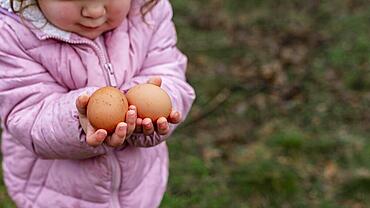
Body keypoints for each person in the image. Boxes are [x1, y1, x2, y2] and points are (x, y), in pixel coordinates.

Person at [0, 0, 195, 206]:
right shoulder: (13, 35)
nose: (94, 11)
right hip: (56, 192)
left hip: (136, 186)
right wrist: (78, 119)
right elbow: (25, 113)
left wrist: (151, 106)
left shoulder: (148, 12)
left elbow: (169, 71)